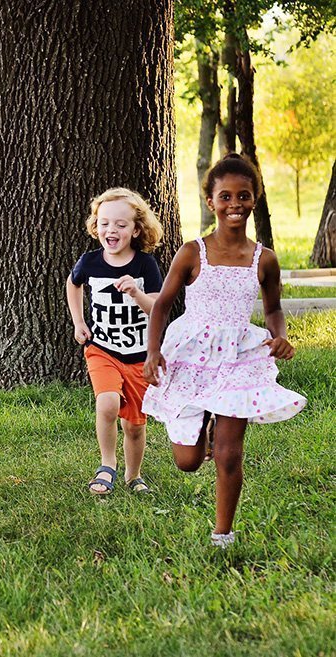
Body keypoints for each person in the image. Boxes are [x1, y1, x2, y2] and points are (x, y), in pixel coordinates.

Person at [142, 154, 306, 548]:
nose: (235, 203)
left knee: (229, 454)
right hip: (192, 354)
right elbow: (162, 304)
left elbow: (273, 309)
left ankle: (223, 534)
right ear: (211, 201)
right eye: (226, 196)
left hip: (239, 357)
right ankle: (205, 423)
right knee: (188, 461)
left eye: (244, 196)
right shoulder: (192, 252)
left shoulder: (264, 259)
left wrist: (279, 336)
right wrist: (153, 352)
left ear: (254, 200)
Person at [66, 188, 164, 495]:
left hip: (139, 355)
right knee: (106, 402)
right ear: (96, 226)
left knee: (134, 425)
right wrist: (79, 322)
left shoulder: (145, 265)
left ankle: (133, 476)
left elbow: (157, 308)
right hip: (102, 349)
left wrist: (136, 292)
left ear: (136, 230)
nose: (112, 230)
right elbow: (73, 283)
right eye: (104, 223)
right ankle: (107, 464)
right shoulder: (90, 261)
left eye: (121, 225)